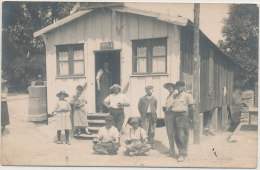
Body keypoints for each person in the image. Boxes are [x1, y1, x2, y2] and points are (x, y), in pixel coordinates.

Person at [172, 81, 195, 162]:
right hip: (175, 116)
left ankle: (182, 154)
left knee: (182, 135)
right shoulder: (175, 96)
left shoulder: (187, 96)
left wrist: (191, 118)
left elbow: (192, 108)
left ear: (183, 87)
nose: (178, 88)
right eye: (177, 86)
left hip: (183, 116)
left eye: (180, 86)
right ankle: (183, 152)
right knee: (176, 135)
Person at [163, 82, 178, 158]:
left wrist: (170, 108)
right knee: (169, 133)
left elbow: (177, 104)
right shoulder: (169, 95)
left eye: (171, 87)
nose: (169, 88)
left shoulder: (176, 94)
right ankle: (171, 149)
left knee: (173, 133)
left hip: (173, 115)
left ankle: (173, 151)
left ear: (173, 87)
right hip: (167, 115)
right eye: (168, 87)